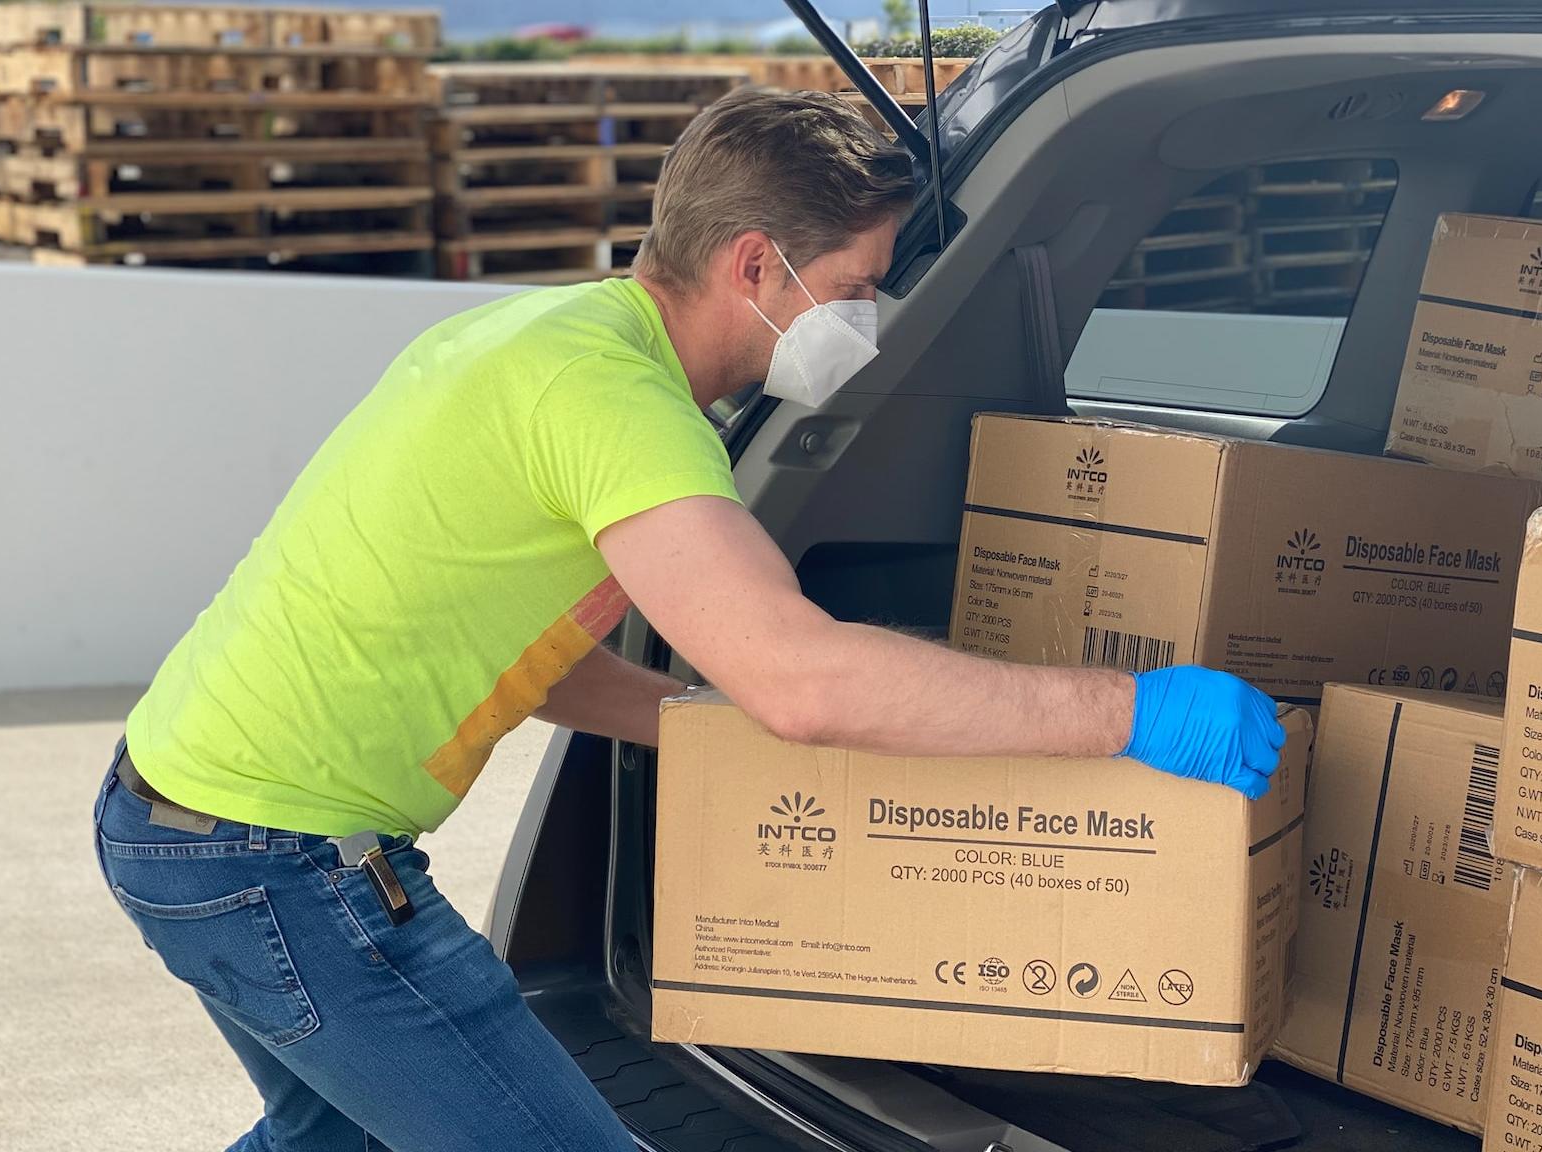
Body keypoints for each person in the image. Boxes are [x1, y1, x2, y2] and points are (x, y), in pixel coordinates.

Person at [92, 88, 1284, 1152]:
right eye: (859, 287)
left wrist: (715, 730)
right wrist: (1132, 710)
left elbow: (527, 659)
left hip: (185, 820)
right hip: (283, 863)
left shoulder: (543, 338)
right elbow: (805, 680)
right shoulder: (617, 404)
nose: (864, 322)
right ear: (757, 265)